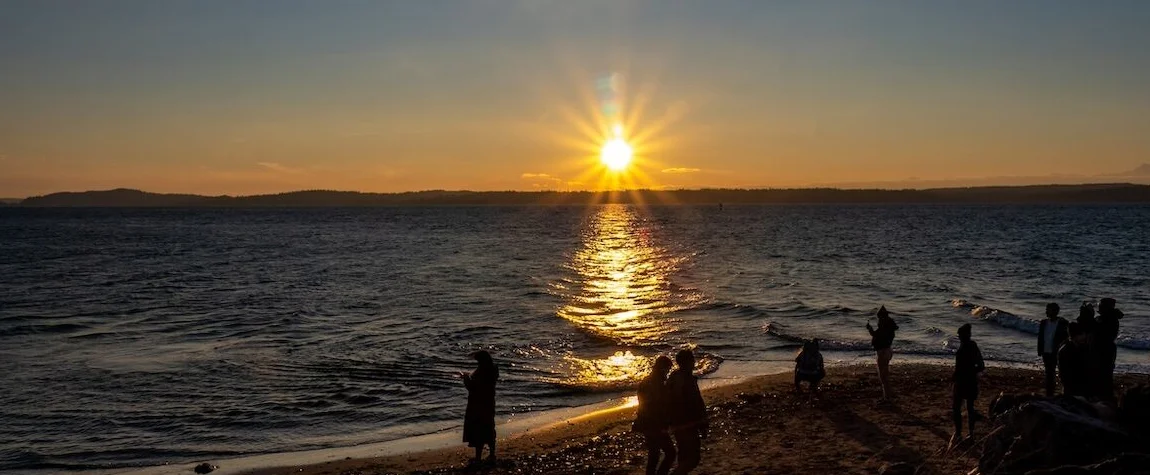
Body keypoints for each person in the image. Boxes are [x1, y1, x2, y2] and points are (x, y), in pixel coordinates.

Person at [667, 349, 708, 475]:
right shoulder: (686, 380)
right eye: (692, 360)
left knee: (683, 455)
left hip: (677, 423)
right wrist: (701, 422)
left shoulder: (674, 377)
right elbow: (693, 403)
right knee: (693, 459)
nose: (694, 362)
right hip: (688, 423)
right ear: (688, 362)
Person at [634, 356, 676, 475]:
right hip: (653, 424)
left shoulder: (648, 381)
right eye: (667, 369)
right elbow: (656, 405)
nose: (667, 373)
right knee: (668, 453)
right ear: (662, 368)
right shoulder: (656, 384)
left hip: (647, 422)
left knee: (655, 454)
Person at [461, 350, 498, 465]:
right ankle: (492, 454)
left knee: (478, 430)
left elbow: (474, 388)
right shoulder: (493, 369)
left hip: (477, 404)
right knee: (489, 428)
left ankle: (478, 458)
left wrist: (466, 378)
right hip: (489, 403)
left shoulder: (482, 371)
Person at [952, 324, 985, 441]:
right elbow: (981, 365)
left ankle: (959, 433)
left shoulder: (964, 348)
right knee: (969, 407)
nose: (959, 337)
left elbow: (959, 368)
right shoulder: (973, 346)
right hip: (971, 381)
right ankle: (970, 433)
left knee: (957, 407)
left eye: (960, 335)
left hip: (962, 382)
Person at [866, 306, 898, 401]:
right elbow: (877, 335)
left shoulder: (884, 328)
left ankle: (887, 397)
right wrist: (870, 329)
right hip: (887, 351)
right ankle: (888, 395)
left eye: (879, 317)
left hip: (882, 352)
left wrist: (870, 329)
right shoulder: (889, 327)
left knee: (883, 376)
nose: (879, 320)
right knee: (885, 375)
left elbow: (876, 335)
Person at [1094, 298, 1124, 401]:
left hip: (1104, 349)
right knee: (1105, 375)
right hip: (1107, 349)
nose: (1099, 307)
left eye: (1101, 305)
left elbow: (1100, 332)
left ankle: (1105, 397)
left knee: (1104, 375)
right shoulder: (1109, 318)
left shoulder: (1108, 319)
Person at [1036, 303, 1069, 397]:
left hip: (1057, 352)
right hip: (1046, 351)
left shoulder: (1063, 323)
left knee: (1062, 373)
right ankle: (1049, 393)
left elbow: (1066, 338)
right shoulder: (1044, 322)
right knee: (1049, 373)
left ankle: (1062, 391)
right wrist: (1040, 349)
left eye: (1048, 309)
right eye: (1046, 309)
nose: (1046, 311)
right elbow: (1041, 337)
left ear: (1055, 311)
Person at [1058, 322, 1093, 398]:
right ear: (1075, 336)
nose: (1085, 337)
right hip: (1073, 387)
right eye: (1082, 334)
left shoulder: (1082, 348)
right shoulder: (1066, 350)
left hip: (1080, 386)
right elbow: (1066, 373)